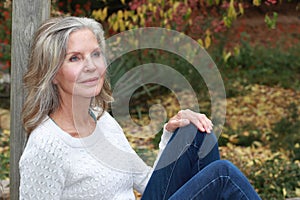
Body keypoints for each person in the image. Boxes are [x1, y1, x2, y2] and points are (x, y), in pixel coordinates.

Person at [19, 16, 261, 200]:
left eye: (95, 54)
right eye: (75, 58)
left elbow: (145, 183)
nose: (91, 66)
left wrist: (169, 136)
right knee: (222, 175)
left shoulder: (102, 120)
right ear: (51, 73)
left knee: (195, 132)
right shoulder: (46, 146)